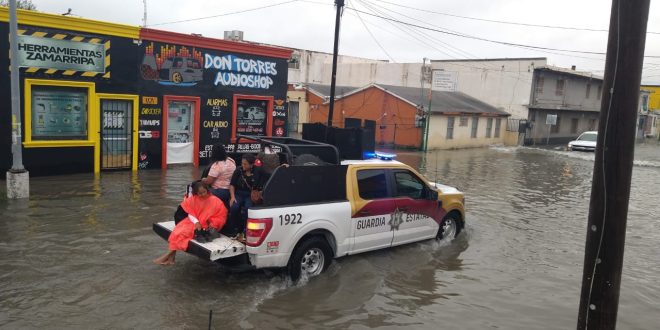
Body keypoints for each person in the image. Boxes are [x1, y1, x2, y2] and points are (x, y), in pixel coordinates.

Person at [153, 181, 228, 265]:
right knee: (177, 232)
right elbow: (190, 213)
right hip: (193, 222)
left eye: (204, 192)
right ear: (196, 193)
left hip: (205, 225)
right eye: (200, 193)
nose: (203, 194)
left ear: (207, 190)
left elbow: (221, 216)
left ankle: (168, 257)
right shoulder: (193, 199)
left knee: (182, 234)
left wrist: (212, 223)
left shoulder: (215, 201)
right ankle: (171, 258)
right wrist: (196, 222)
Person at [226, 154, 256, 238]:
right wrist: (232, 197)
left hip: (249, 195)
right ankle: (234, 228)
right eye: (242, 163)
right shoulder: (238, 170)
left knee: (248, 209)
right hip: (238, 193)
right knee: (234, 207)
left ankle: (246, 229)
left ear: (251, 164)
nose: (243, 165)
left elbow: (268, 175)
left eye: (245, 164)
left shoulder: (257, 171)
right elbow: (232, 185)